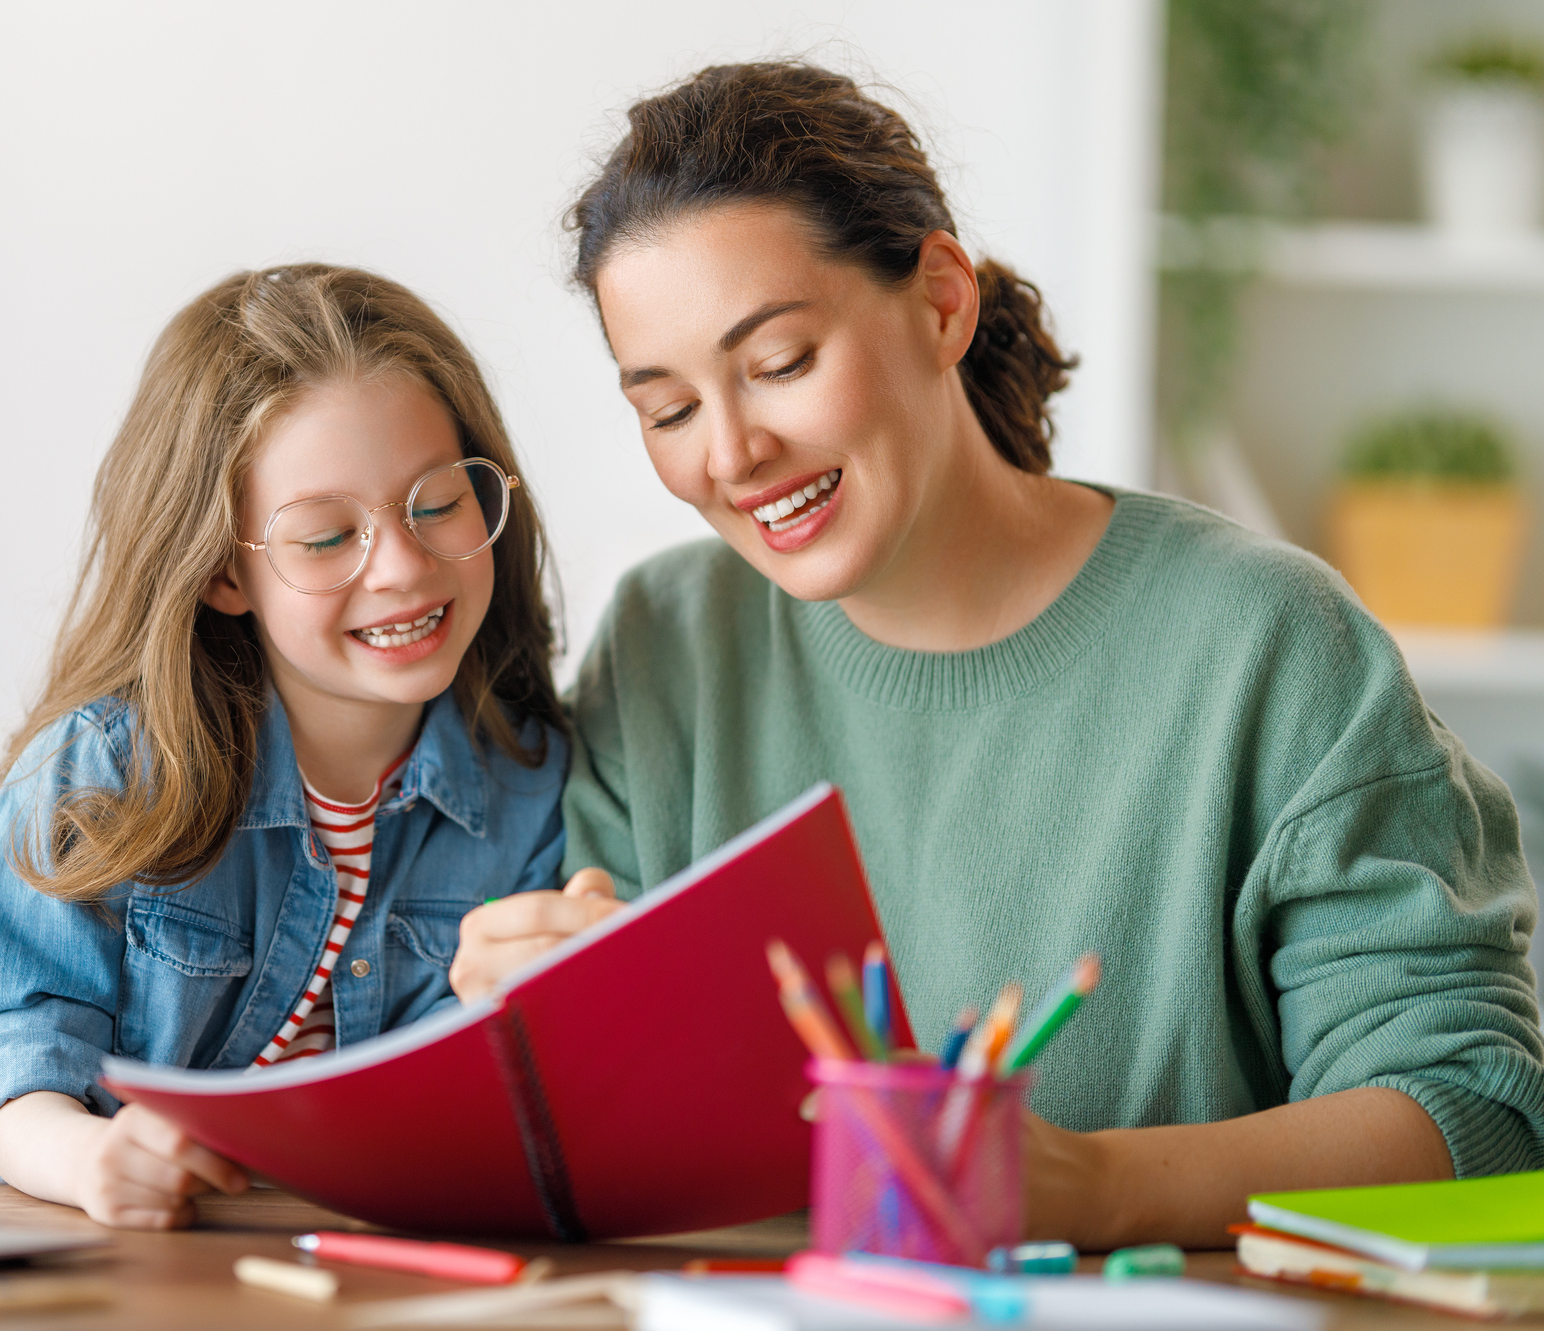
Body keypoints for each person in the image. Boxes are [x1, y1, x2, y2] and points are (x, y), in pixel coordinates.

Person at [451, 62, 1544, 1247]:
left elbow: (1476, 1117)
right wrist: (535, 1022)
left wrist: (1089, 1188)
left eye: (778, 365)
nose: (732, 453)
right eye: (666, 411)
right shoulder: (670, 641)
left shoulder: (1264, 644)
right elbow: (633, 1129)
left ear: (939, 304)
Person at [0, 264, 568, 1229]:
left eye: (438, 503)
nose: (405, 570)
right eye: (327, 538)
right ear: (220, 576)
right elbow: (22, 1062)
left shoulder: (534, 788)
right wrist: (90, 1159)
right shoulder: (103, 774)